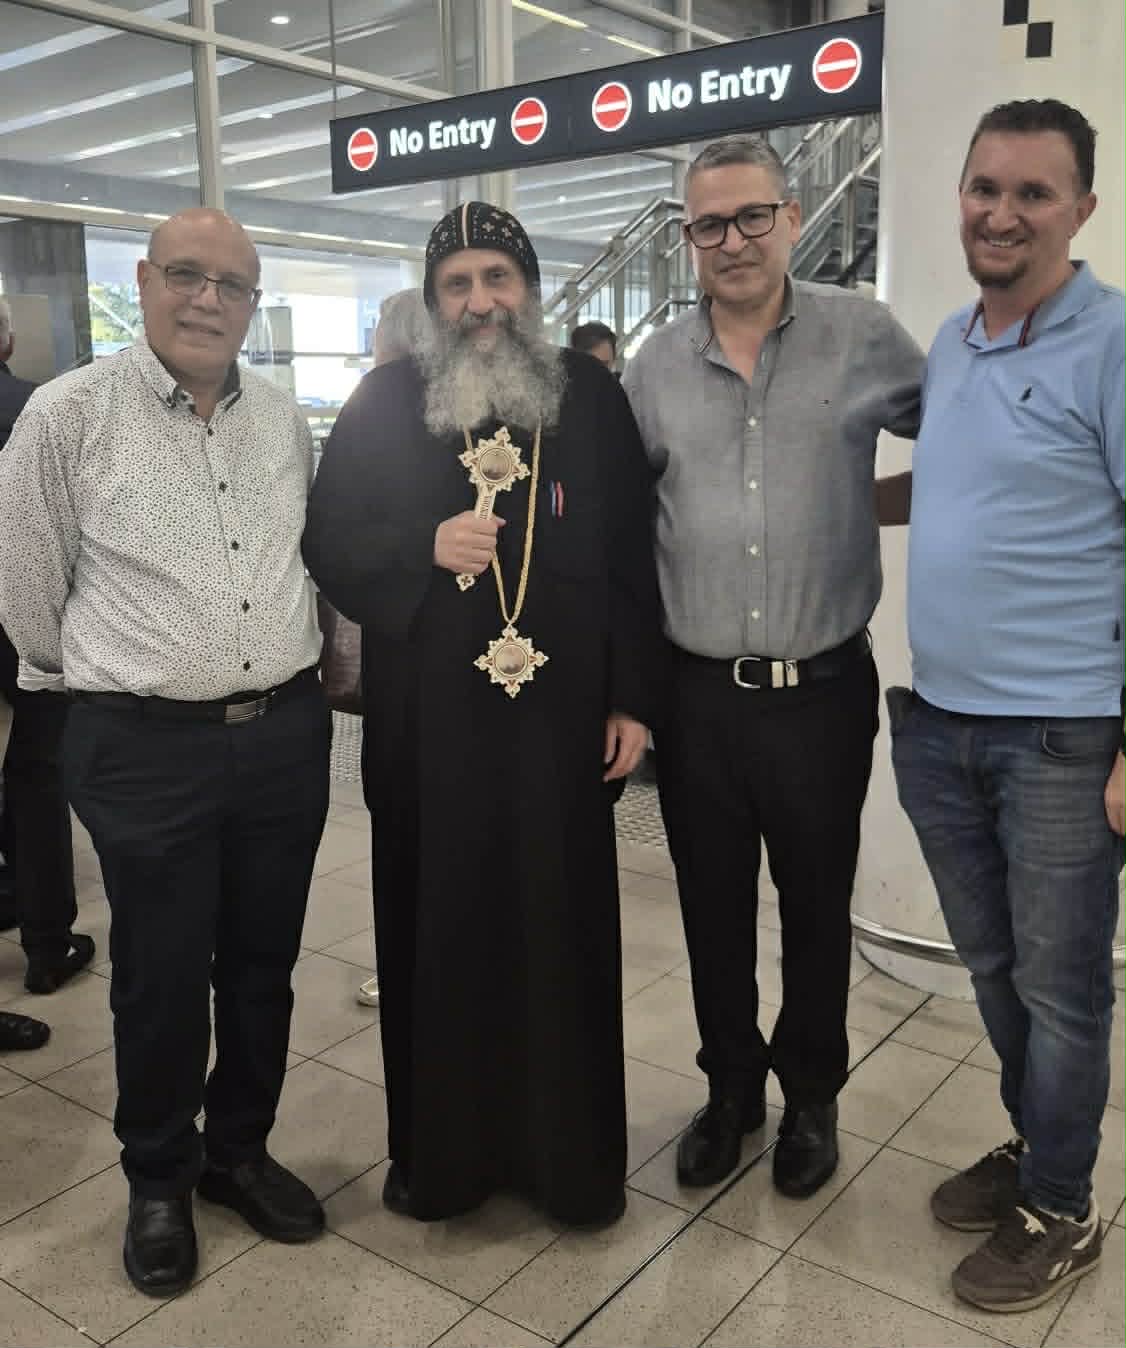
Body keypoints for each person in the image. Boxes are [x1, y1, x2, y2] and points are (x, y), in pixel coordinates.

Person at [303, 200, 664, 1225]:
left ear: (529, 290)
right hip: (432, 730)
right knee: (441, 927)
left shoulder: (590, 395)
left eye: (496, 279)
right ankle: (443, 1164)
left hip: (562, 726)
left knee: (560, 930)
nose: (479, 302)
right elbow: (326, 538)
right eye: (456, 285)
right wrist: (420, 546)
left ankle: (570, 1169)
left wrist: (633, 697)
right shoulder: (385, 399)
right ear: (433, 303)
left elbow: (634, 553)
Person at [0, 208, 330, 1298]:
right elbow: (25, 588)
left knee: (263, 964)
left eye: (231, 285)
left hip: (282, 737)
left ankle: (238, 1151)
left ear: (253, 303)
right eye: (186, 275)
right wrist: (111, 682)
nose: (207, 300)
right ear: (143, 283)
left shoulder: (281, 420)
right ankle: (158, 1176)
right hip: (143, 746)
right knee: (160, 975)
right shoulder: (67, 415)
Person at [623, 135, 923, 1198]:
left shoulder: (863, 336)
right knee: (710, 908)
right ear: (688, 238)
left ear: (792, 218)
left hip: (822, 694)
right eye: (710, 224)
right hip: (697, 697)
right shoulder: (654, 367)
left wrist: (877, 505)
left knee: (814, 908)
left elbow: (969, 435)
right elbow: (624, 523)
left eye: (753, 216)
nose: (734, 240)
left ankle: (811, 1098)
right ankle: (730, 1091)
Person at [886, 99, 1124, 1314]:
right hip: (938, 722)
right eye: (985, 187)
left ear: (1081, 208)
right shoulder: (952, 340)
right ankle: (1037, 1143)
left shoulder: (1113, 342)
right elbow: (957, 483)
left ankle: (1063, 1206)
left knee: (1060, 988)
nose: (1002, 212)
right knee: (991, 965)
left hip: (1060, 734)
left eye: (1033, 192)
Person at [354, 286, 429, 1012]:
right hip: (407, 670)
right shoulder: (378, 411)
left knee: (404, 835)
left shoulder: (378, 408)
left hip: (404, 675)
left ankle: (406, 969)